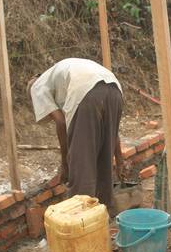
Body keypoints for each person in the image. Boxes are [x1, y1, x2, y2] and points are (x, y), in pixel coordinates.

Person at [27, 58, 124, 213]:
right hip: (115, 89)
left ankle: (80, 217)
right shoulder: (63, 72)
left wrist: (66, 163)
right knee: (103, 161)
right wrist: (119, 161)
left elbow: (61, 122)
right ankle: (104, 213)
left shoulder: (36, 86)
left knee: (81, 165)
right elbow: (112, 132)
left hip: (86, 95)